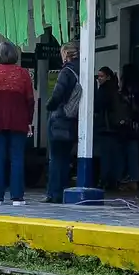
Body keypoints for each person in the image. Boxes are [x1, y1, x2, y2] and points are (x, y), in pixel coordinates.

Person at [0, 41, 35, 206]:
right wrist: (29, 120)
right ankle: (17, 197)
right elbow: (30, 99)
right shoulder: (22, 73)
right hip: (19, 119)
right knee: (17, 158)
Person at [44, 43, 81, 203]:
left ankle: (54, 193)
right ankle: (63, 190)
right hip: (73, 119)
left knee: (55, 158)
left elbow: (58, 94)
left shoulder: (66, 72)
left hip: (60, 118)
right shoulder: (83, 70)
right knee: (65, 159)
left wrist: (49, 106)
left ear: (66, 54)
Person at [119, 63, 139, 190]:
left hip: (131, 123)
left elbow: (129, 106)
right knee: (134, 150)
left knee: (130, 150)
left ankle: (131, 178)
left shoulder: (129, 89)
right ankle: (133, 178)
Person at [93, 67, 124, 191]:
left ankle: (104, 180)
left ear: (108, 77)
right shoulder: (116, 90)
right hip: (115, 128)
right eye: (98, 76)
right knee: (114, 156)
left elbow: (97, 106)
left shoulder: (103, 91)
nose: (99, 79)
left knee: (105, 156)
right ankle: (114, 180)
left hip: (105, 127)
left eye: (101, 76)